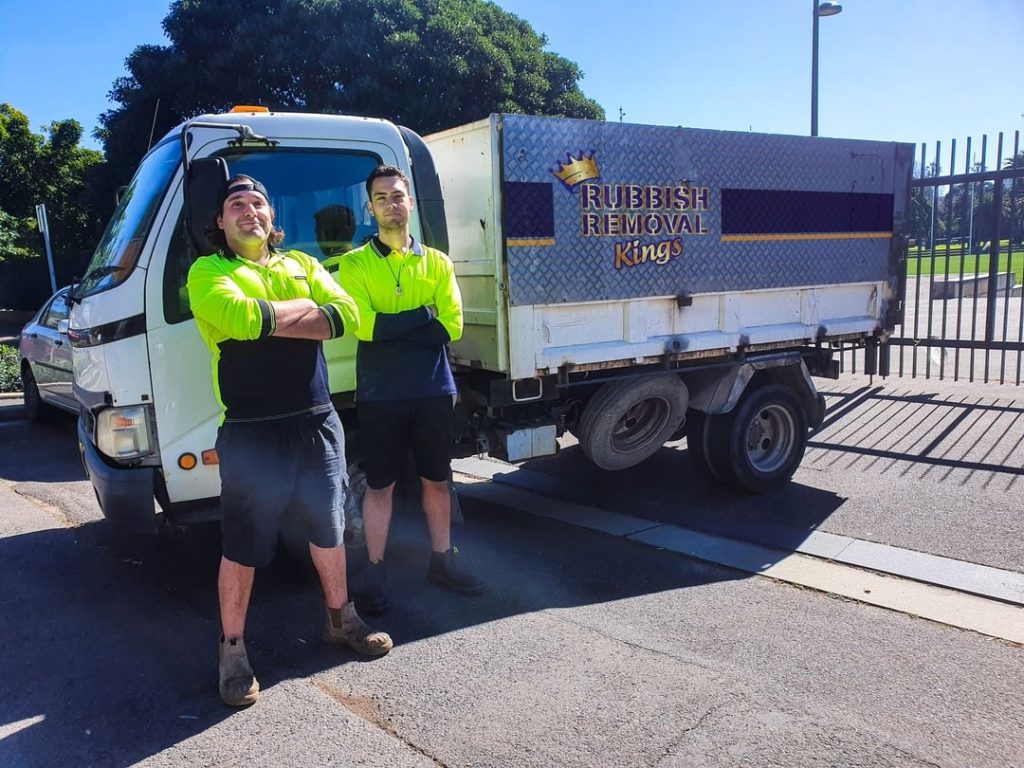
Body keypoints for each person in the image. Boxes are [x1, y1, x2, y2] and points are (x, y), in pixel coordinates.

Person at [187, 174, 392, 708]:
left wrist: (269, 318)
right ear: (220, 221)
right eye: (236, 204)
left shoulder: (302, 262)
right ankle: (233, 651)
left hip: (317, 422)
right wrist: (306, 311)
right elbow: (239, 318)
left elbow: (346, 316)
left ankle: (341, 620)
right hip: (251, 431)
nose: (249, 210)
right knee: (243, 545)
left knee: (328, 529)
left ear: (271, 215)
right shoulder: (207, 270)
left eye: (258, 201)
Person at [336, 164, 483, 615]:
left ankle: (442, 561)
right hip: (381, 395)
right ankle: (374, 570)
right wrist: (423, 314)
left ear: (411, 203)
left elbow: (452, 326)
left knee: (436, 481)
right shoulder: (354, 263)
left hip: (432, 390)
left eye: (397, 196)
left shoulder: (437, 262)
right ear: (370, 207)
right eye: (381, 198)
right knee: (379, 486)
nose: (391, 205)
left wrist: (395, 327)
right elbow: (365, 327)